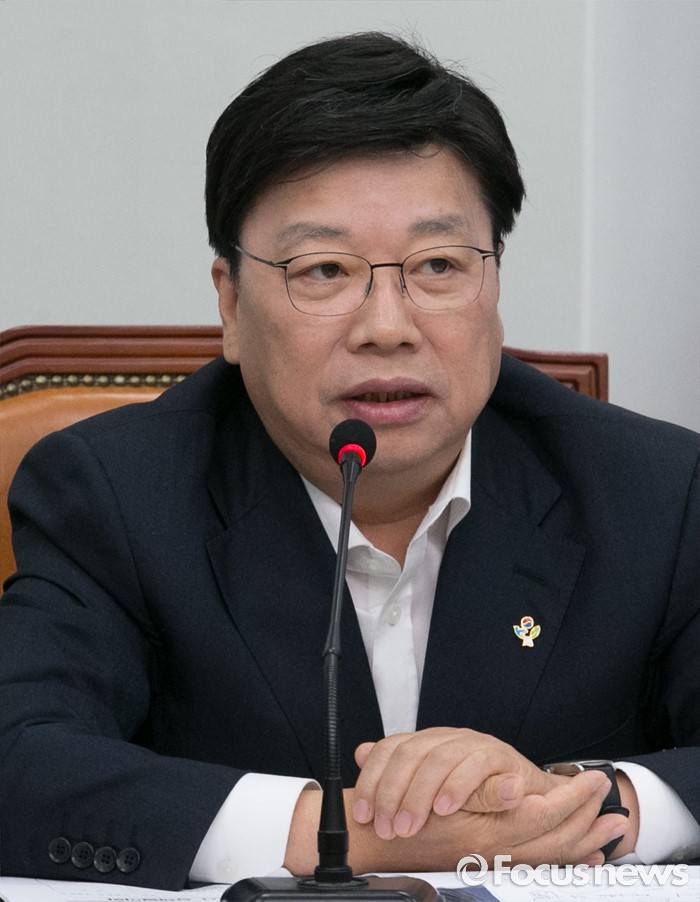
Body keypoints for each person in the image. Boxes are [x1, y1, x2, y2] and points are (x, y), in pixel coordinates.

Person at [0, 32, 698, 892]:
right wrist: (348, 837)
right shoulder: (116, 495)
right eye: (325, 270)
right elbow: (19, 757)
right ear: (230, 303)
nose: (387, 326)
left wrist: (591, 805)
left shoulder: (655, 492)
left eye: (438, 265)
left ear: (495, 283)